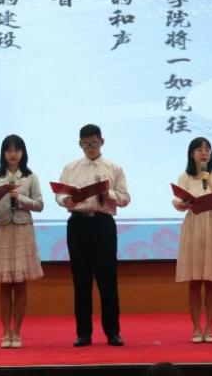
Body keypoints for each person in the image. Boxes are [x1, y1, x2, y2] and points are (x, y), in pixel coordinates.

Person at [55, 124, 131, 347]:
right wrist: (68, 200)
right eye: (86, 144)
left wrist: (109, 194)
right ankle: (83, 333)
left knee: (108, 280)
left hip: (103, 224)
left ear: (102, 142)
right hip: (78, 224)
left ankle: (112, 332)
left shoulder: (114, 168)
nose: (90, 147)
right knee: (81, 281)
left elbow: (126, 198)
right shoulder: (71, 168)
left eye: (94, 143)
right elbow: (59, 195)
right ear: (80, 144)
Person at [0, 133, 44, 349]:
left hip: (22, 230)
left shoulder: (30, 177)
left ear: (23, 153)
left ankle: (17, 331)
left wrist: (20, 198)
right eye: (8, 150)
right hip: (3, 230)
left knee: (20, 283)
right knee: (4, 284)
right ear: (3, 153)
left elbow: (39, 205)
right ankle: (5, 332)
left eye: (17, 150)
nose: (13, 154)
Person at [172, 137, 212, 343]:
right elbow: (177, 203)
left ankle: (210, 328)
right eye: (200, 149)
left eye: (207, 149)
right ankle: (196, 328)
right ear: (192, 154)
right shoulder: (185, 177)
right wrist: (186, 202)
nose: (204, 153)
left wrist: (209, 180)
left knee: (211, 282)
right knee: (194, 281)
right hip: (193, 226)